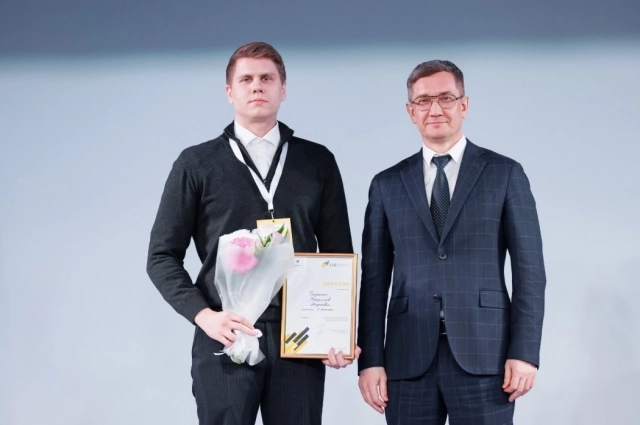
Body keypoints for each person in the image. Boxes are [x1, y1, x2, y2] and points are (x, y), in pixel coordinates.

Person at [147, 41, 356, 425]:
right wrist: (203, 316)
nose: (257, 86)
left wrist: (336, 332)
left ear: (283, 89)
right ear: (230, 92)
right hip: (225, 331)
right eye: (246, 79)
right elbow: (161, 256)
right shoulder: (196, 164)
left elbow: (338, 255)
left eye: (266, 78)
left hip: (299, 338)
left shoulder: (317, 161)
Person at [356, 60, 546, 424]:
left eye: (446, 98)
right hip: (407, 358)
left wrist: (524, 352)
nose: (435, 109)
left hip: (486, 355)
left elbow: (530, 272)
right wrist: (371, 360)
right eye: (423, 101)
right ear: (411, 111)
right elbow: (374, 281)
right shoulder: (387, 184)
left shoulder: (504, 174)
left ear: (464, 104)